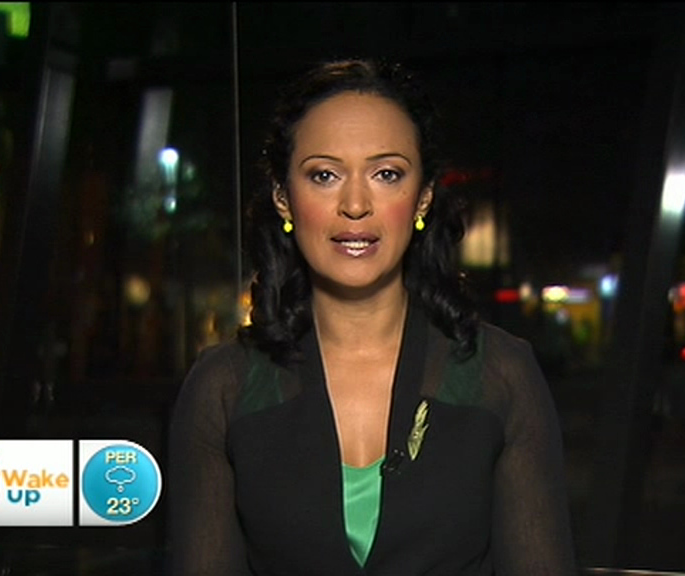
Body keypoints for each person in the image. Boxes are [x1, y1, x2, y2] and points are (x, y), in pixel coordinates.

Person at [168, 57, 578, 576]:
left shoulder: (502, 374)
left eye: (386, 174)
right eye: (324, 175)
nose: (356, 204)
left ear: (423, 197)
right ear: (283, 198)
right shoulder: (223, 387)